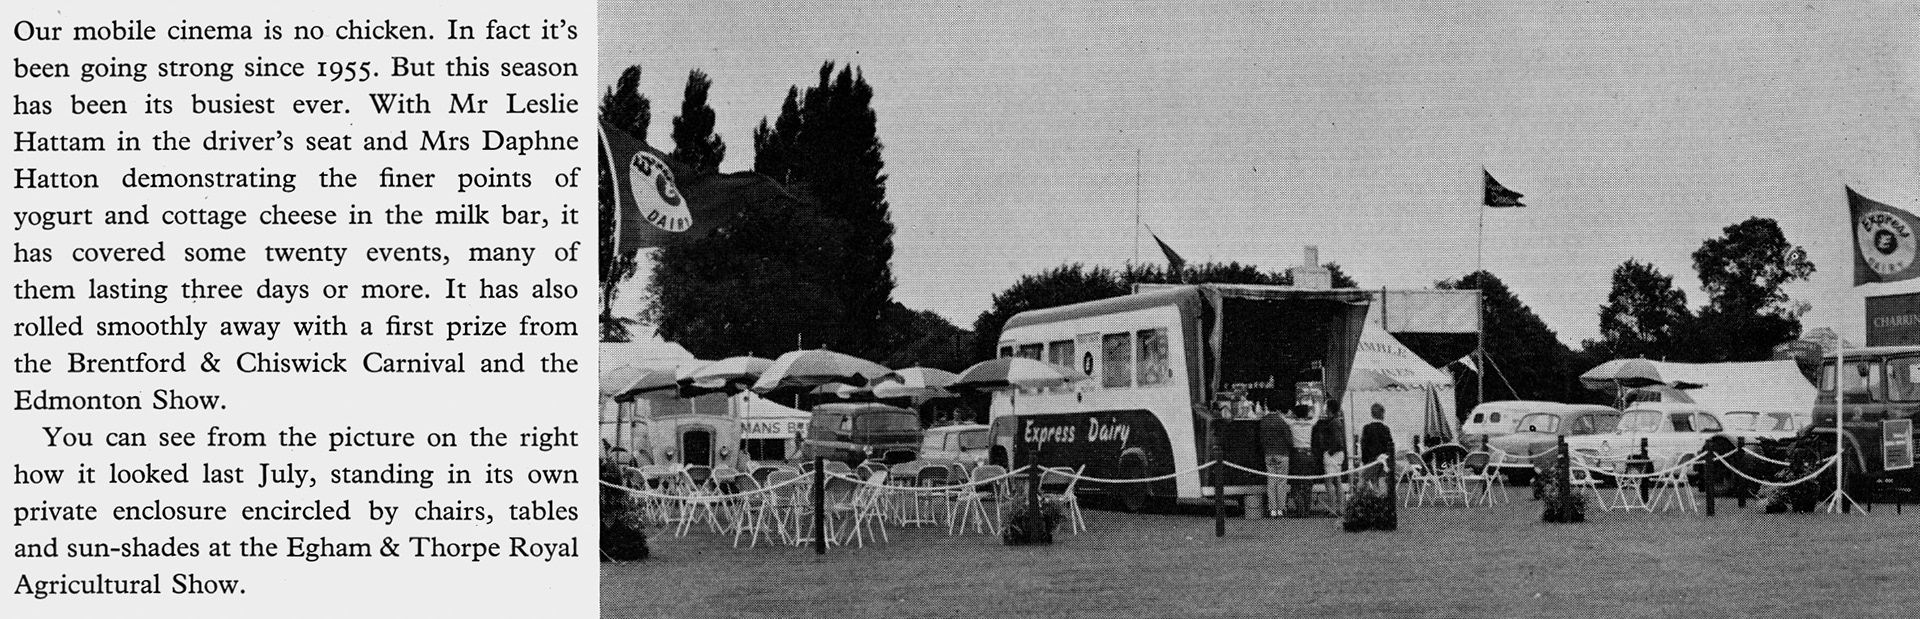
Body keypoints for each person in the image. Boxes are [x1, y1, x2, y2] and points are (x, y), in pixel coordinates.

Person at [1311, 400, 1348, 515]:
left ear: (1330, 409)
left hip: (1333, 454)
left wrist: (1329, 452)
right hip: (1338, 454)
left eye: (1327, 407)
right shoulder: (1337, 422)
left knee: (1329, 482)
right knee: (1337, 482)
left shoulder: (1333, 423)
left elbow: (1337, 441)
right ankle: (1340, 508)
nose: (1325, 409)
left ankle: (1332, 509)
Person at [1257, 409, 1294, 517]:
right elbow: (1289, 440)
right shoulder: (1282, 421)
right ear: (1278, 409)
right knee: (1281, 482)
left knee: (1271, 482)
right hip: (1282, 453)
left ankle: (1272, 509)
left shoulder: (1263, 421)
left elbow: (1261, 439)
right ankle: (1281, 509)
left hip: (1269, 454)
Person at [1286, 404, 1318, 516]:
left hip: (1297, 456)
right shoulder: (1311, 423)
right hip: (1309, 455)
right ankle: (1307, 510)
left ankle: (1300, 510)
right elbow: (1317, 415)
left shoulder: (1291, 424)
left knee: (1296, 484)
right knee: (1308, 484)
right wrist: (1313, 409)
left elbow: (1282, 416)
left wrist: (1290, 414)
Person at [1360, 403, 1395, 490]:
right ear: (1383, 414)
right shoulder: (1385, 429)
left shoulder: (1366, 428)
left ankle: (1363, 500)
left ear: (1371, 414)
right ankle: (1381, 500)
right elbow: (1389, 446)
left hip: (1371, 461)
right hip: (1383, 461)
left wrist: (1365, 460)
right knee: (1380, 482)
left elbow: (1363, 445)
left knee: (1363, 480)